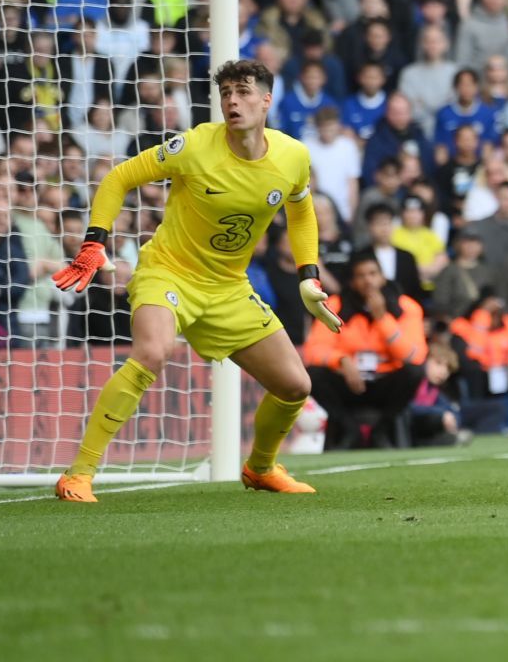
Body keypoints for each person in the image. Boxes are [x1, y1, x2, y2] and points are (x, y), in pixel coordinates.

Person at [49, 60, 335, 502]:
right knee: (153, 351)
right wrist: (95, 241)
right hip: (169, 273)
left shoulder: (293, 156)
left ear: (266, 100)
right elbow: (119, 177)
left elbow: (300, 210)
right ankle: (79, 473)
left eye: (242, 91)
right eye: (226, 94)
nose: (233, 101)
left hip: (227, 287)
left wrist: (308, 274)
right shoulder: (195, 145)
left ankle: (260, 468)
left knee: (296, 386)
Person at [300, 250, 429, 449]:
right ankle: (349, 428)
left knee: (414, 372)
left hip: (384, 381)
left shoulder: (406, 307)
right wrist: (341, 360)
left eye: (372, 274)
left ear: (382, 277)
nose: (368, 281)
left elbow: (414, 356)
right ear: (352, 281)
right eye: (361, 276)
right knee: (314, 374)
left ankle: (381, 430)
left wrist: (383, 319)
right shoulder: (334, 305)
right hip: (349, 381)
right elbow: (313, 351)